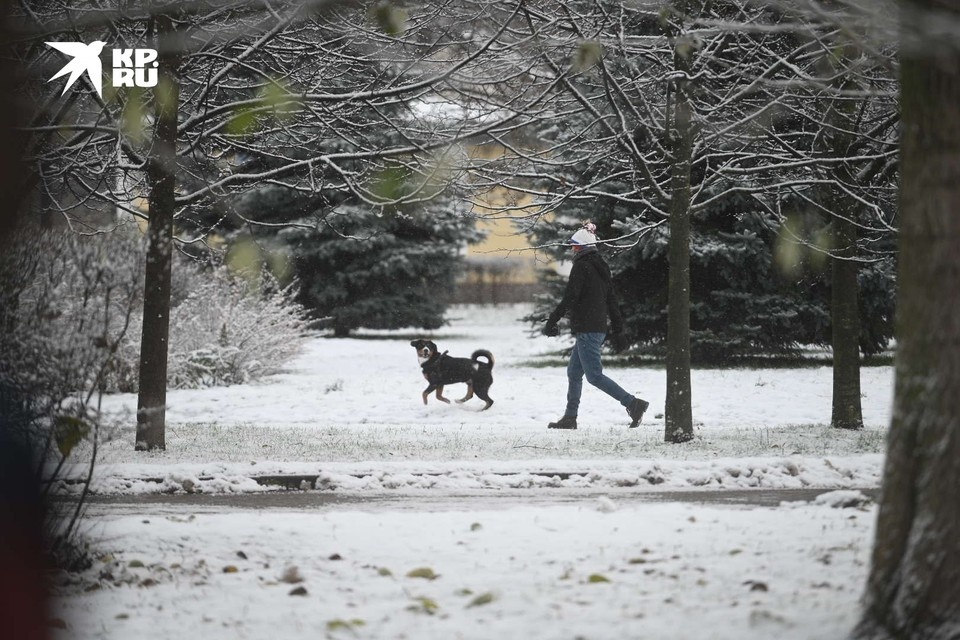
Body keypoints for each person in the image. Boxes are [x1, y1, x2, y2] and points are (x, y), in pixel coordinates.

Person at [542, 223, 648, 430]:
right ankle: (570, 418)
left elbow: (571, 296)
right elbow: (611, 299)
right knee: (574, 372)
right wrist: (618, 327)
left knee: (594, 376)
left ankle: (633, 403)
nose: (572, 249)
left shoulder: (582, 266)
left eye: (574, 246)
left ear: (582, 247)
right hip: (594, 327)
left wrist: (552, 320)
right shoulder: (601, 267)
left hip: (588, 329)